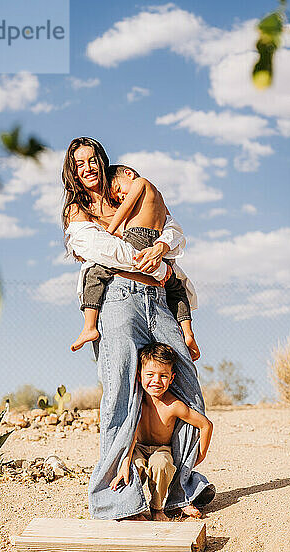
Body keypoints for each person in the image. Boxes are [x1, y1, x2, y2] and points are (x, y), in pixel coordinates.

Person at [62, 136, 215, 520]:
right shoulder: (77, 211)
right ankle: (119, 499)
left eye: (92, 159)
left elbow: (175, 230)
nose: (89, 168)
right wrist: (150, 260)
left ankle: (180, 486)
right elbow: (100, 250)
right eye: (79, 164)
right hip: (118, 301)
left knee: (187, 387)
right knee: (121, 393)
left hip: (158, 299)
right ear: (73, 172)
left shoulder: (125, 188)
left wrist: (162, 248)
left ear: (103, 161)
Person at [70, 164, 200, 361]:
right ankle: (188, 333)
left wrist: (110, 231)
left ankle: (89, 326)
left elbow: (125, 208)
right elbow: (171, 226)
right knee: (177, 289)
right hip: (155, 240)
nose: (120, 198)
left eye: (117, 191)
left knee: (95, 271)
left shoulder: (140, 183)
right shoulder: (160, 199)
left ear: (128, 174)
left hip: (138, 237)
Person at [110, 342, 213, 521]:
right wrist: (125, 461)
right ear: (139, 375)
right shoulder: (136, 402)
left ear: (172, 379)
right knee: (135, 466)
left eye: (163, 376)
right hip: (138, 447)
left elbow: (206, 425)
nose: (156, 381)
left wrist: (201, 454)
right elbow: (131, 432)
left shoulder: (173, 405)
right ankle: (132, 509)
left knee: (162, 464)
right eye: (150, 374)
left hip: (162, 448)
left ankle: (157, 508)